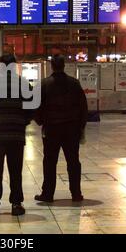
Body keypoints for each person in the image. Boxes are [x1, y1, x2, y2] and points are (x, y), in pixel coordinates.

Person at [0, 53, 34, 216]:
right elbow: (32, 107)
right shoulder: (23, 83)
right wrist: (23, 122)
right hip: (16, 134)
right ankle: (17, 204)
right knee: (16, 170)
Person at [34, 55, 88, 202]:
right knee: (73, 162)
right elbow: (83, 107)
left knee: (50, 162)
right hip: (71, 129)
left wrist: (41, 122)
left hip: (51, 129)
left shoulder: (44, 84)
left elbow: (36, 107)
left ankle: (48, 193)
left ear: (51, 66)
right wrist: (80, 127)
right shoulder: (74, 83)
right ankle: (76, 193)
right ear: (64, 65)